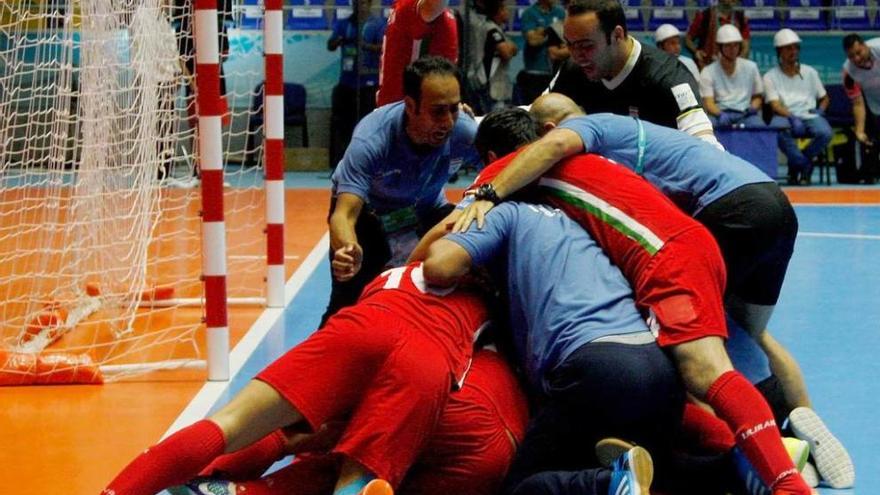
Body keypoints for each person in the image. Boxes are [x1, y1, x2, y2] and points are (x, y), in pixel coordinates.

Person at [452, 95, 855, 490]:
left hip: (665, 258)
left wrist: (484, 194)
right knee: (692, 365)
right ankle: (754, 455)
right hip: (692, 241)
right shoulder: (595, 162)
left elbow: (452, 232)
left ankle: (782, 475)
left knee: (704, 369)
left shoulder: (516, 165)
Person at [103, 262, 491, 495]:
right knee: (357, 469)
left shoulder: (405, 267)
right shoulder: (500, 290)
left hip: (368, 322)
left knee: (231, 423)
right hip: (429, 359)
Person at [424, 200, 686, 495]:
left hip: (596, 366)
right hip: (659, 368)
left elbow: (439, 266)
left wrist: (458, 222)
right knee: (654, 480)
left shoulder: (506, 212)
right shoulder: (582, 221)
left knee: (523, 489)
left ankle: (607, 483)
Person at [167, 349, 530, 495]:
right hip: (499, 443)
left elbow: (298, 438)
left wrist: (210, 466)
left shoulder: (382, 357)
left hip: (461, 419)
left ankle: (226, 488)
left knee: (335, 457)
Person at [323, 56, 480, 325]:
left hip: (428, 210)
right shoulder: (372, 140)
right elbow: (344, 215)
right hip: (370, 217)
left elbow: (502, 166)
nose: (448, 122)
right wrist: (348, 249)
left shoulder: (464, 132)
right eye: (438, 111)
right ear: (410, 105)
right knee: (347, 305)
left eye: (454, 109)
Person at [546, 0, 721, 148]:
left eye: (586, 46)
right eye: (569, 45)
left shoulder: (669, 77)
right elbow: (535, 113)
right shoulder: (573, 69)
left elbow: (706, 147)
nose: (576, 56)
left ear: (616, 35)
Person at [764, 28, 831, 186]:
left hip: (809, 114)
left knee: (825, 133)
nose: (793, 51)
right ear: (779, 51)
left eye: (795, 47)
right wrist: (791, 117)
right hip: (785, 116)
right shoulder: (770, 76)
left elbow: (824, 98)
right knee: (777, 131)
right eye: (788, 48)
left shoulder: (810, 72)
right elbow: (774, 104)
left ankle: (797, 163)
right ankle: (805, 165)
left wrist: (821, 110)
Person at [327, 0, 387, 169]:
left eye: (362, 3)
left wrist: (366, 46)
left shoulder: (377, 24)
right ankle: (343, 162)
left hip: (369, 82)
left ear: (369, 4)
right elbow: (330, 45)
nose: (358, 6)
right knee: (345, 125)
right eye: (356, 3)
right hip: (347, 82)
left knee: (368, 126)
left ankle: (369, 163)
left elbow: (384, 48)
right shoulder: (343, 24)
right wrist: (338, 41)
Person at [376, 0, 458, 106]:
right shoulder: (412, 8)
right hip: (412, 110)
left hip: (404, 106)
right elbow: (433, 6)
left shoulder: (404, 8)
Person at [699, 25, 766, 129]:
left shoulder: (751, 67)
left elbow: (757, 96)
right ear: (720, 47)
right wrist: (720, 114)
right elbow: (708, 102)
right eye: (728, 46)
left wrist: (753, 108)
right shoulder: (708, 71)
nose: (733, 49)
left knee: (759, 127)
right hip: (719, 114)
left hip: (745, 113)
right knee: (707, 127)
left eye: (736, 45)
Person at [463, 0, 518, 114]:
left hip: (497, 84)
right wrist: (511, 47)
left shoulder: (496, 29)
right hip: (490, 85)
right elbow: (506, 52)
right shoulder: (491, 29)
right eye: (504, 9)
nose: (507, 12)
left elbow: (514, 48)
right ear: (498, 12)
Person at [842, 33, 880, 183]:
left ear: (865, 46)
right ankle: (869, 172)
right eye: (851, 56)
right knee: (869, 137)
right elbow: (857, 103)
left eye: (859, 53)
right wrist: (859, 130)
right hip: (874, 104)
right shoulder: (848, 73)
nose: (856, 59)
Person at [517, 0, 566, 104]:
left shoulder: (561, 12)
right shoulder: (529, 13)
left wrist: (542, 33)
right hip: (536, 70)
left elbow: (565, 40)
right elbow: (533, 41)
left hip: (556, 71)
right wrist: (551, 32)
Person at [685, 0, 750, 70]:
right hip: (707, 66)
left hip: (732, 68)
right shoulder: (704, 16)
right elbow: (688, 40)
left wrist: (738, 64)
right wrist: (696, 52)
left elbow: (745, 47)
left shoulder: (740, 18)